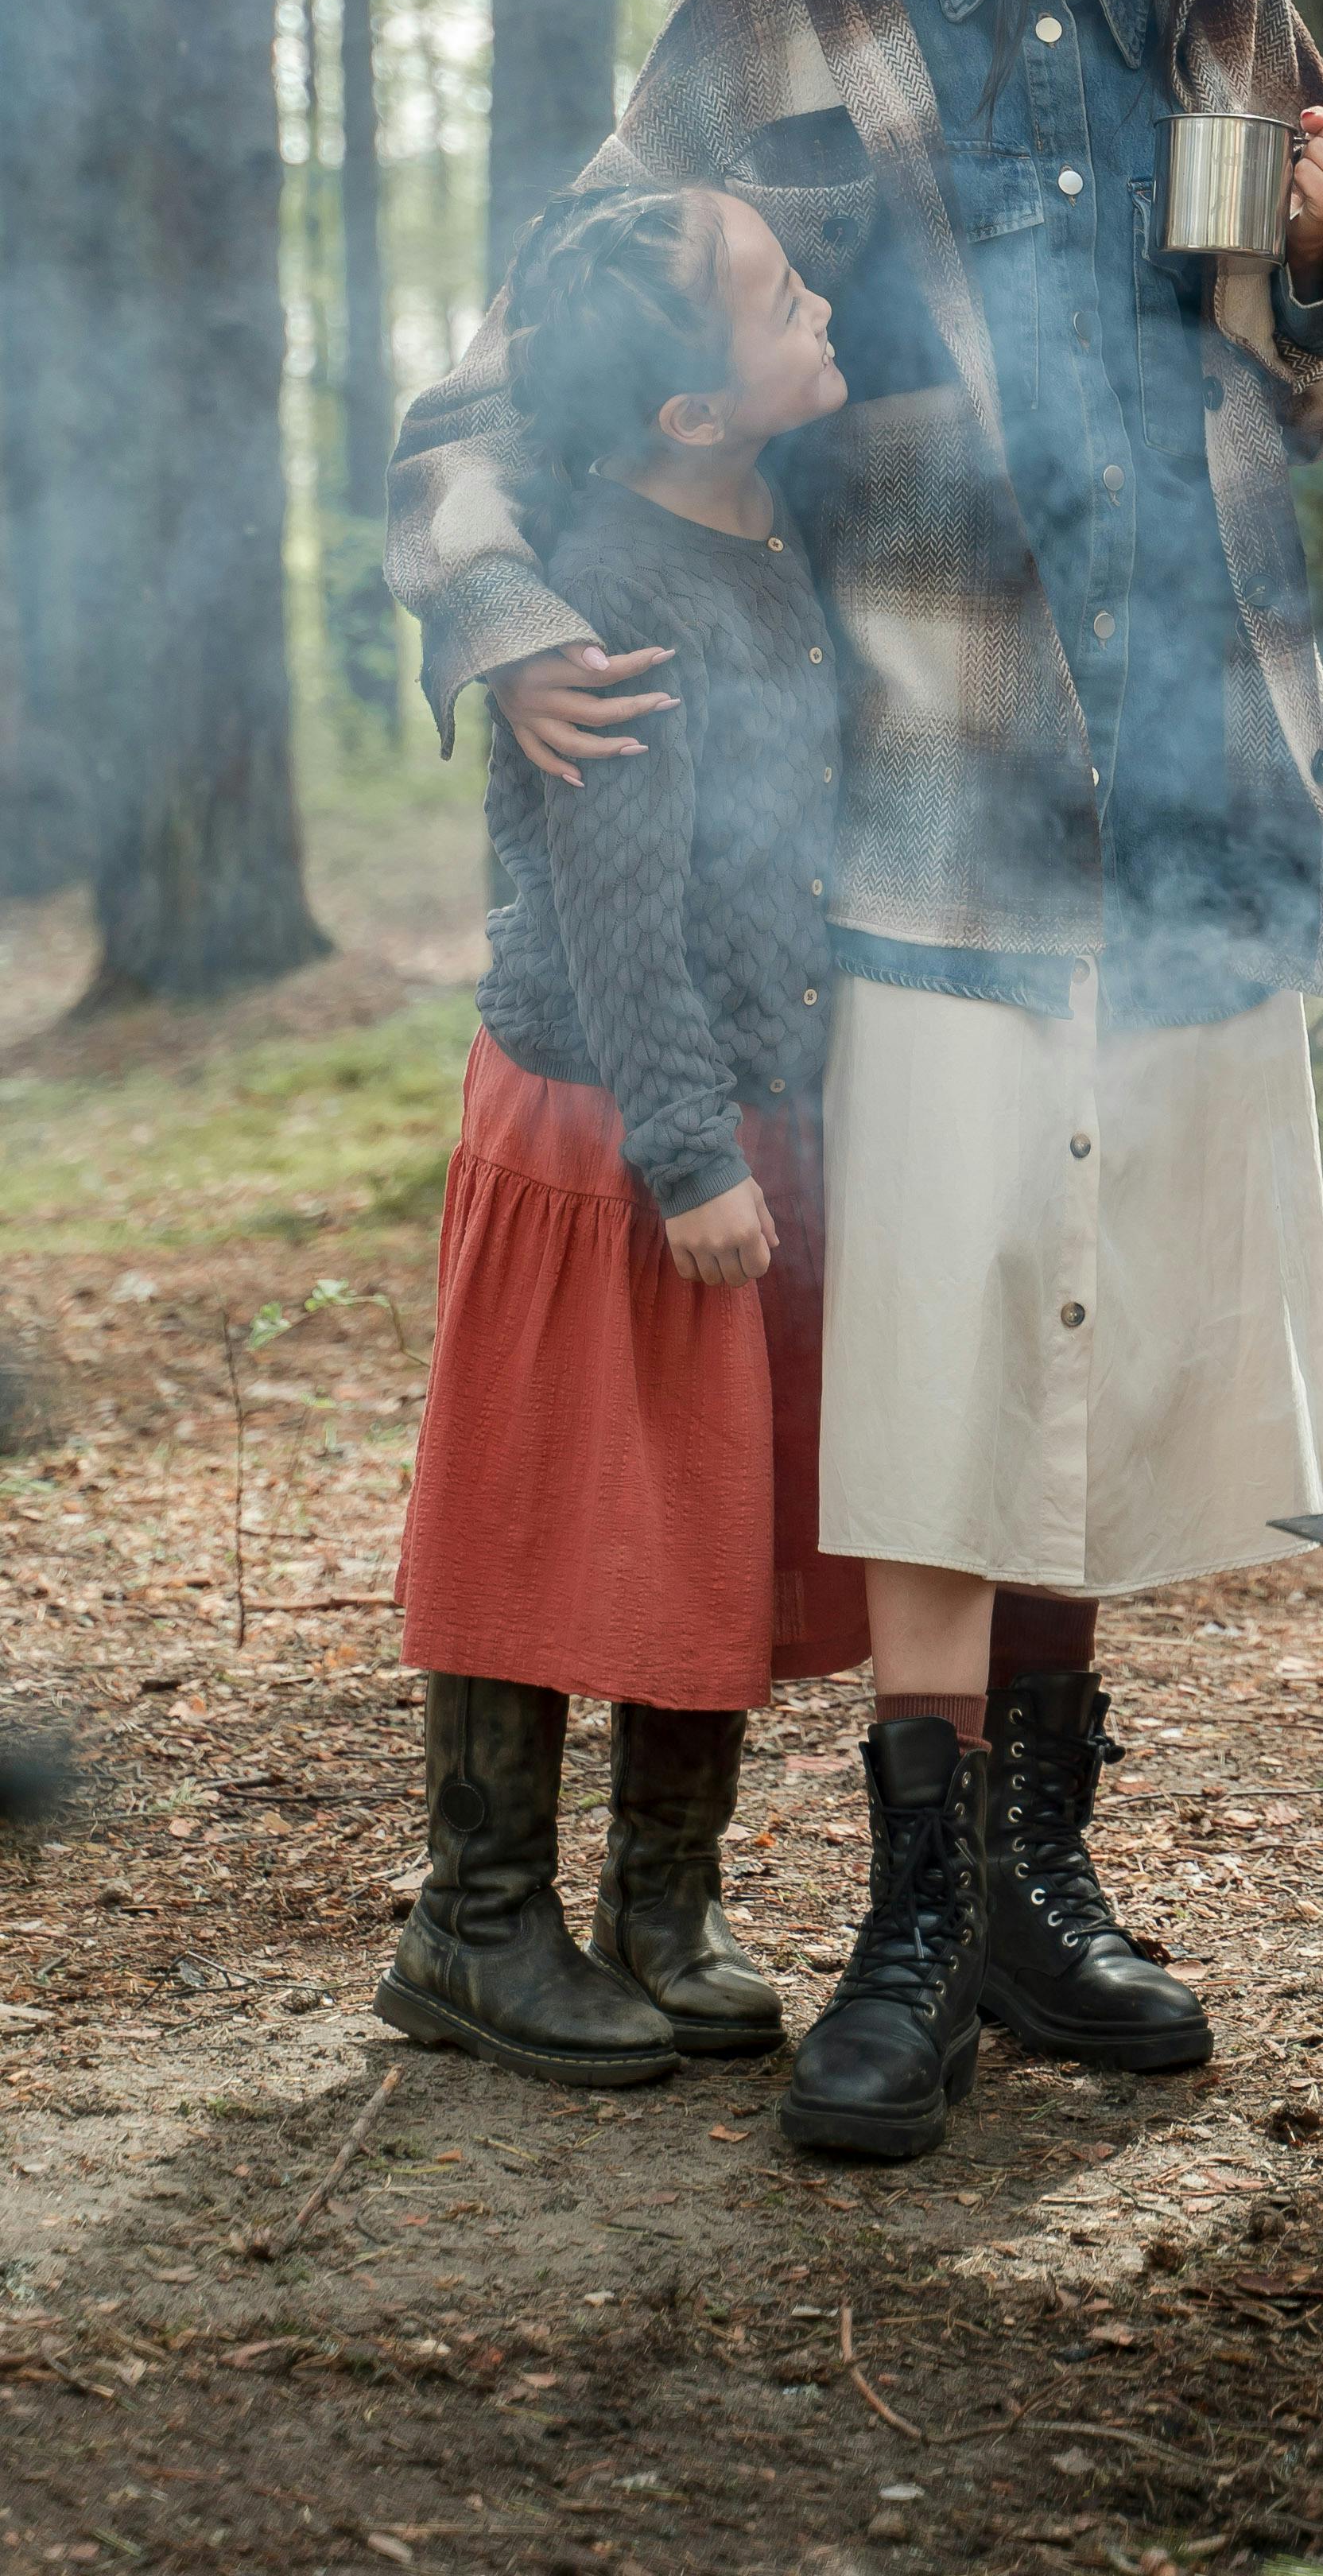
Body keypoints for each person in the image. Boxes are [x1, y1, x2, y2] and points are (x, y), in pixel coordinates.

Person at [390, 0, 1323, 2167]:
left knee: (1119, 1327)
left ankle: (1053, 1888)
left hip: (1192, 765)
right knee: (952, 1340)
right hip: (921, 773)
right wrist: (492, 604)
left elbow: (1303, 398)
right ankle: (915, 1912)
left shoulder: (1235, 2)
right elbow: (546, 340)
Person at [382, 177, 867, 2092]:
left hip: (733, 1100)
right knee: (540, 1511)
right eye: (775, 296)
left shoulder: (762, 516)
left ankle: (669, 1905)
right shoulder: (610, 607)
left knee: (713, 1514)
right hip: (614, 1119)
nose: (817, 298)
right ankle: (476, 1920)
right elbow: (615, 912)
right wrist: (687, 1154)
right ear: (687, 410)